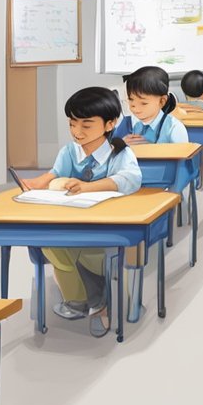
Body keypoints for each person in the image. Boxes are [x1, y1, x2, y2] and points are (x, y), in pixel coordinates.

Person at [25, 87, 142, 335]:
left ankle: (93, 302)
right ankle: (87, 301)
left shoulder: (119, 152)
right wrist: (36, 183)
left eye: (86, 125)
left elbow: (130, 179)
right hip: (69, 222)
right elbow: (54, 174)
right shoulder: (69, 151)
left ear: (110, 124)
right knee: (50, 244)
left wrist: (89, 187)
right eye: (72, 124)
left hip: (105, 228)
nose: (77, 132)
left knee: (83, 252)